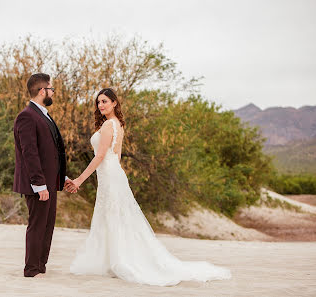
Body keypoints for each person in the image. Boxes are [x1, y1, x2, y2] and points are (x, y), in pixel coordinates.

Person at [65, 88, 232, 286]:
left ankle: (119, 261)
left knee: (114, 215)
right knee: (116, 216)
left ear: (114, 103)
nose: (101, 105)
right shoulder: (118, 124)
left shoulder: (109, 125)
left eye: (104, 101)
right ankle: (113, 260)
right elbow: (116, 156)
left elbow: (100, 156)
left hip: (110, 174)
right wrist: (113, 174)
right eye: (98, 102)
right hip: (113, 174)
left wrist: (78, 180)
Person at [13, 73, 72, 277]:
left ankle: (40, 266)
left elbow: (51, 153)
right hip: (38, 185)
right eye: (51, 89)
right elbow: (29, 153)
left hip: (50, 182)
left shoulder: (43, 115)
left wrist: (61, 177)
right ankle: (31, 269)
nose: (53, 92)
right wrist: (39, 185)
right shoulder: (26, 116)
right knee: (38, 226)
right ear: (42, 91)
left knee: (48, 226)